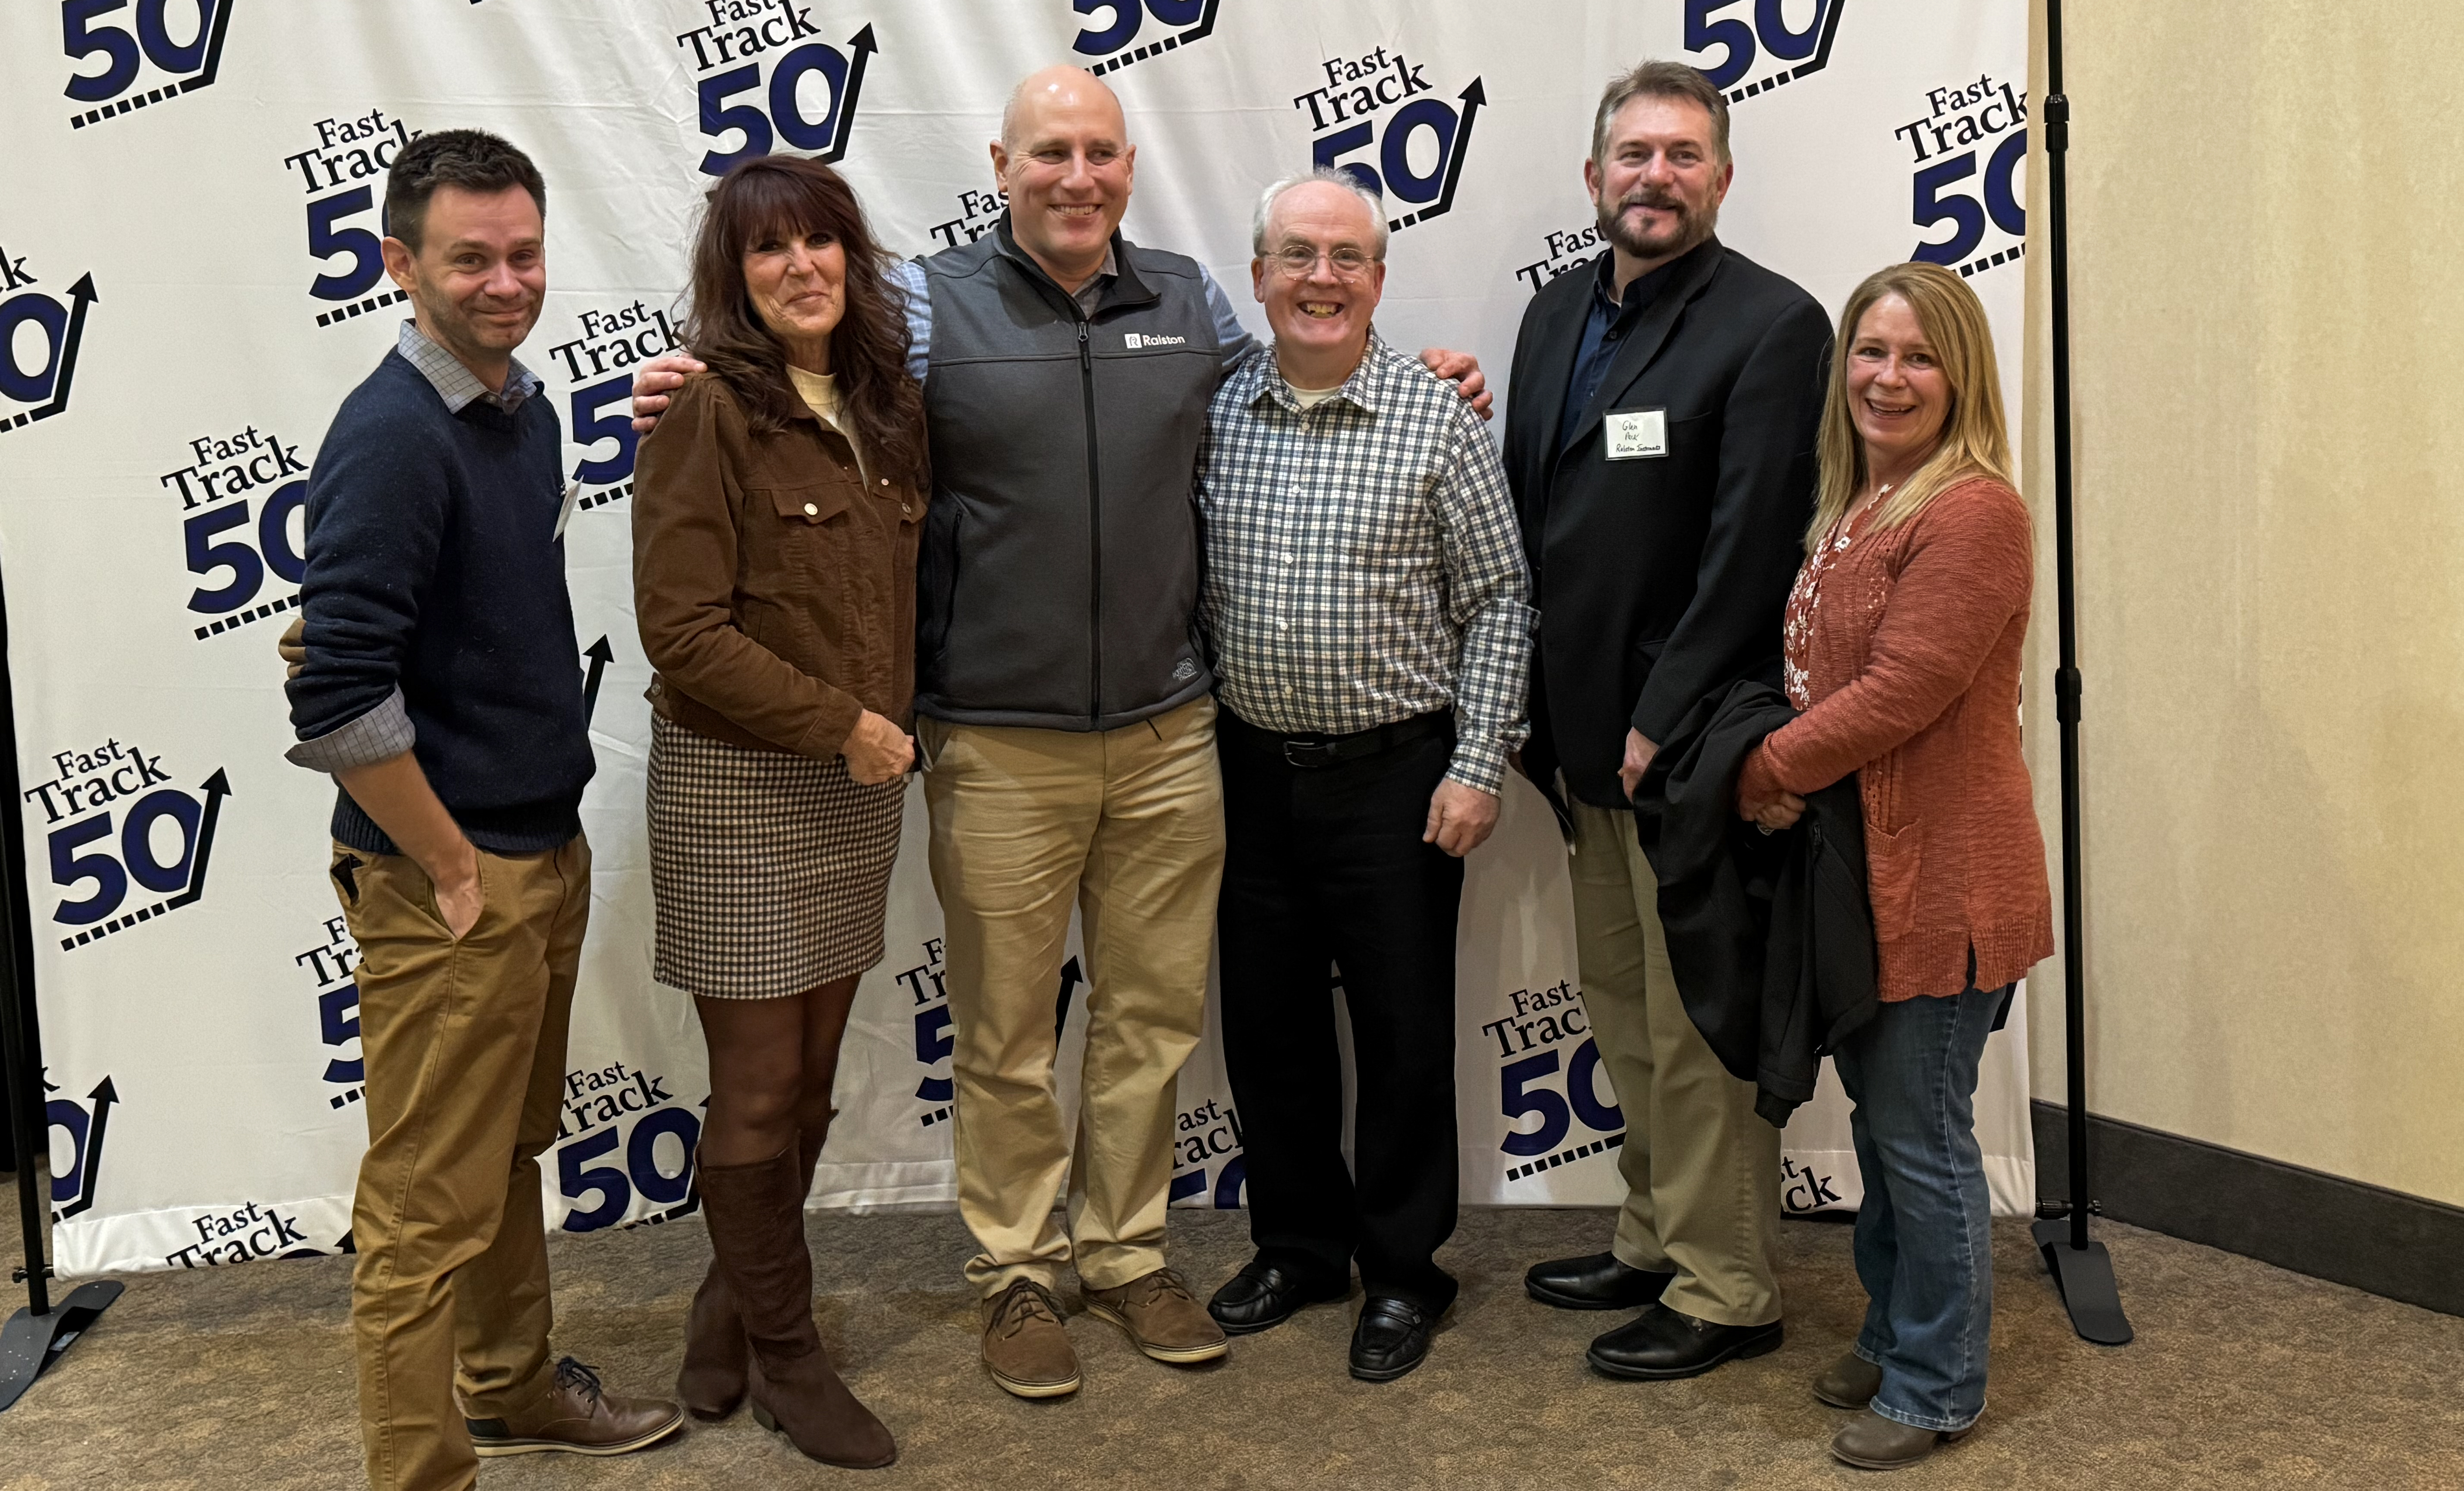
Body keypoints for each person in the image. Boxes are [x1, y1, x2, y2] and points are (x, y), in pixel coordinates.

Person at [629, 66, 1489, 1401]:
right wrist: (698, 375)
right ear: (1001, 164)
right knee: (1008, 1035)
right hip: (995, 741)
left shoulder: (1196, 308)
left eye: (1098, 154)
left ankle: (1127, 1252)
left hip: (1169, 734)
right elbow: (812, 389)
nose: (1074, 178)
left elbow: (1305, 375)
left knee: (1149, 1022)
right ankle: (1018, 1275)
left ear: (1129, 169)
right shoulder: (919, 308)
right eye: (1049, 155)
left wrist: (1425, 366)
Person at [283, 129, 683, 1491]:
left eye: (525, 253)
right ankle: (422, 1475)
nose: (507, 281)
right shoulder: (392, 438)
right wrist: (450, 862)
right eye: (471, 259)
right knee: (418, 1211)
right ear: (400, 264)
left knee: (504, 1156)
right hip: (450, 880)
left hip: (537, 848)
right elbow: (335, 695)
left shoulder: (521, 407)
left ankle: (509, 1388)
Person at [1502, 60, 1832, 1379]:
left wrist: (1662, 719)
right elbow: (1544, 510)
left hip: (1685, 750)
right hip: (1579, 747)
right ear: (1594, 178)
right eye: (1633, 154)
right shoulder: (1549, 315)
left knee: (1699, 1030)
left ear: (1723, 179)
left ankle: (1728, 1284)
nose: (1655, 176)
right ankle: (1652, 1236)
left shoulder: (1772, 326)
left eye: (1683, 156)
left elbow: (1753, 551)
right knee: (1623, 1007)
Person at [1197, 172, 1531, 1381]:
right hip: (1245, 775)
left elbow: (1500, 601)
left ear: (1381, 279)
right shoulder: (1219, 406)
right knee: (1269, 1029)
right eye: (1297, 255)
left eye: (1346, 257)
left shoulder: (1435, 416)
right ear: (1259, 275)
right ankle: (1297, 1247)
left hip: (1400, 778)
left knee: (1400, 1036)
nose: (1322, 278)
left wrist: (1479, 762)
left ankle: (1402, 1271)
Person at [629, 154, 926, 1469]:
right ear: (734, 276)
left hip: (852, 785)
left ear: (853, 259)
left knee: (810, 1079)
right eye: (768, 249)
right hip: (743, 783)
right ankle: (792, 1358)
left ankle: (729, 1307)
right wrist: (846, 727)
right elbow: (681, 631)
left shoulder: (888, 405)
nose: (800, 266)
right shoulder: (709, 413)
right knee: (756, 1087)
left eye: (822, 242)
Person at [1734, 261, 2052, 1472]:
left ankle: (1936, 1384)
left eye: (1920, 356)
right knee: (1881, 1130)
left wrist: (1765, 771)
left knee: (1919, 1137)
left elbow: (1903, 692)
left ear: (1959, 377)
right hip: (1869, 886)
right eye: (1872, 350)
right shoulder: (1855, 502)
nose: (1889, 375)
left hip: (1951, 888)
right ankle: (1893, 1327)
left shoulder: (1973, 512)